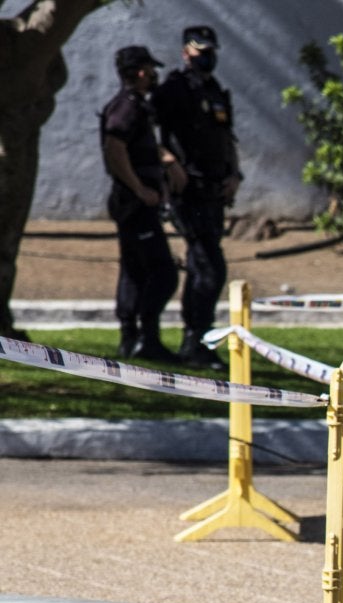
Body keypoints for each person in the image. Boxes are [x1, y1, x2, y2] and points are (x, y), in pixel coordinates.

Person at [151, 25, 239, 370]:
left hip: (215, 191)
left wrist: (234, 174)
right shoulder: (173, 89)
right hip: (188, 192)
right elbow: (148, 132)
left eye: (211, 50)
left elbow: (226, 136)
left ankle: (196, 341)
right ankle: (196, 341)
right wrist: (170, 163)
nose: (207, 57)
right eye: (201, 50)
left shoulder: (215, 90)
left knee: (207, 266)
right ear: (185, 51)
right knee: (208, 266)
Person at [101, 45, 180, 364]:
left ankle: (131, 337)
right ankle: (146, 336)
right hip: (134, 203)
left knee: (135, 271)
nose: (154, 75)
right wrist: (139, 188)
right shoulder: (127, 106)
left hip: (134, 202)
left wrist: (167, 161)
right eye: (150, 69)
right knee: (163, 273)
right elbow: (114, 147)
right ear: (141, 71)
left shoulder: (135, 106)